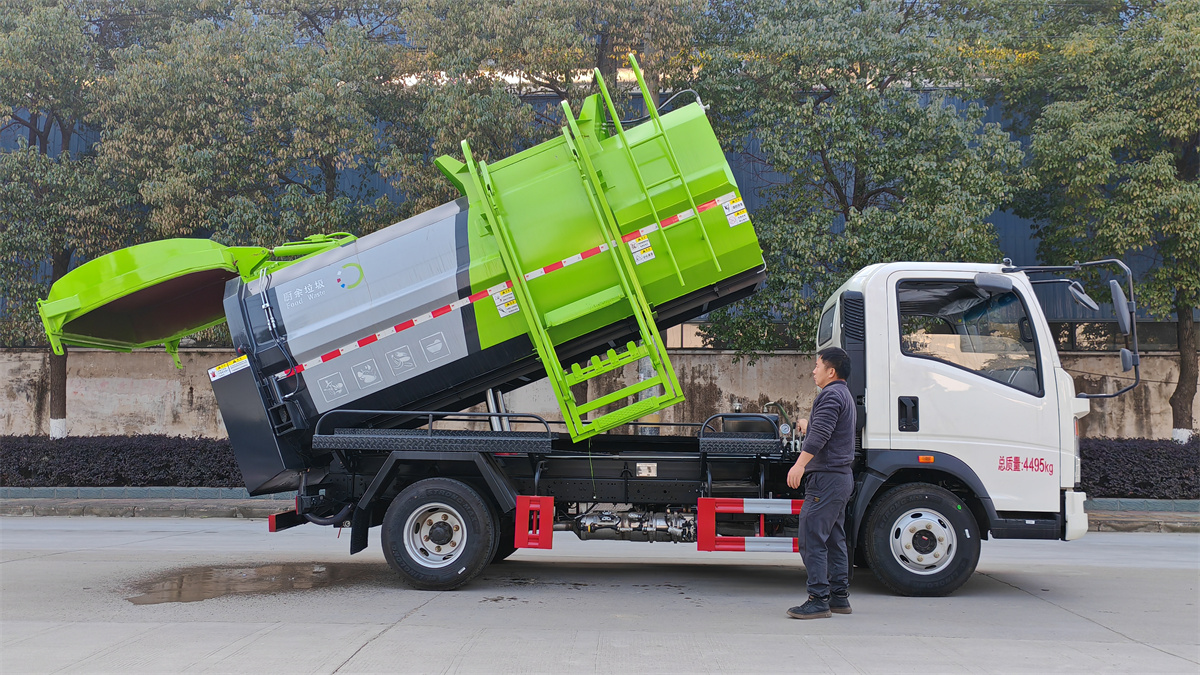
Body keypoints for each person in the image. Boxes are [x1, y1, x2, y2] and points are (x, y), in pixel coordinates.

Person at [786, 346, 857, 619]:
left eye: (818, 365)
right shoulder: (843, 394)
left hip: (826, 479)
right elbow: (827, 429)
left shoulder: (829, 395)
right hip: (840, 478)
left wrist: (800, 465)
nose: (813, 370)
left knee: (812, 538)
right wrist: (808, 423)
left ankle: (818, 599)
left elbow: (821, 436)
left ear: (831, 371)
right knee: (835, 539)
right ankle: (839, 597)